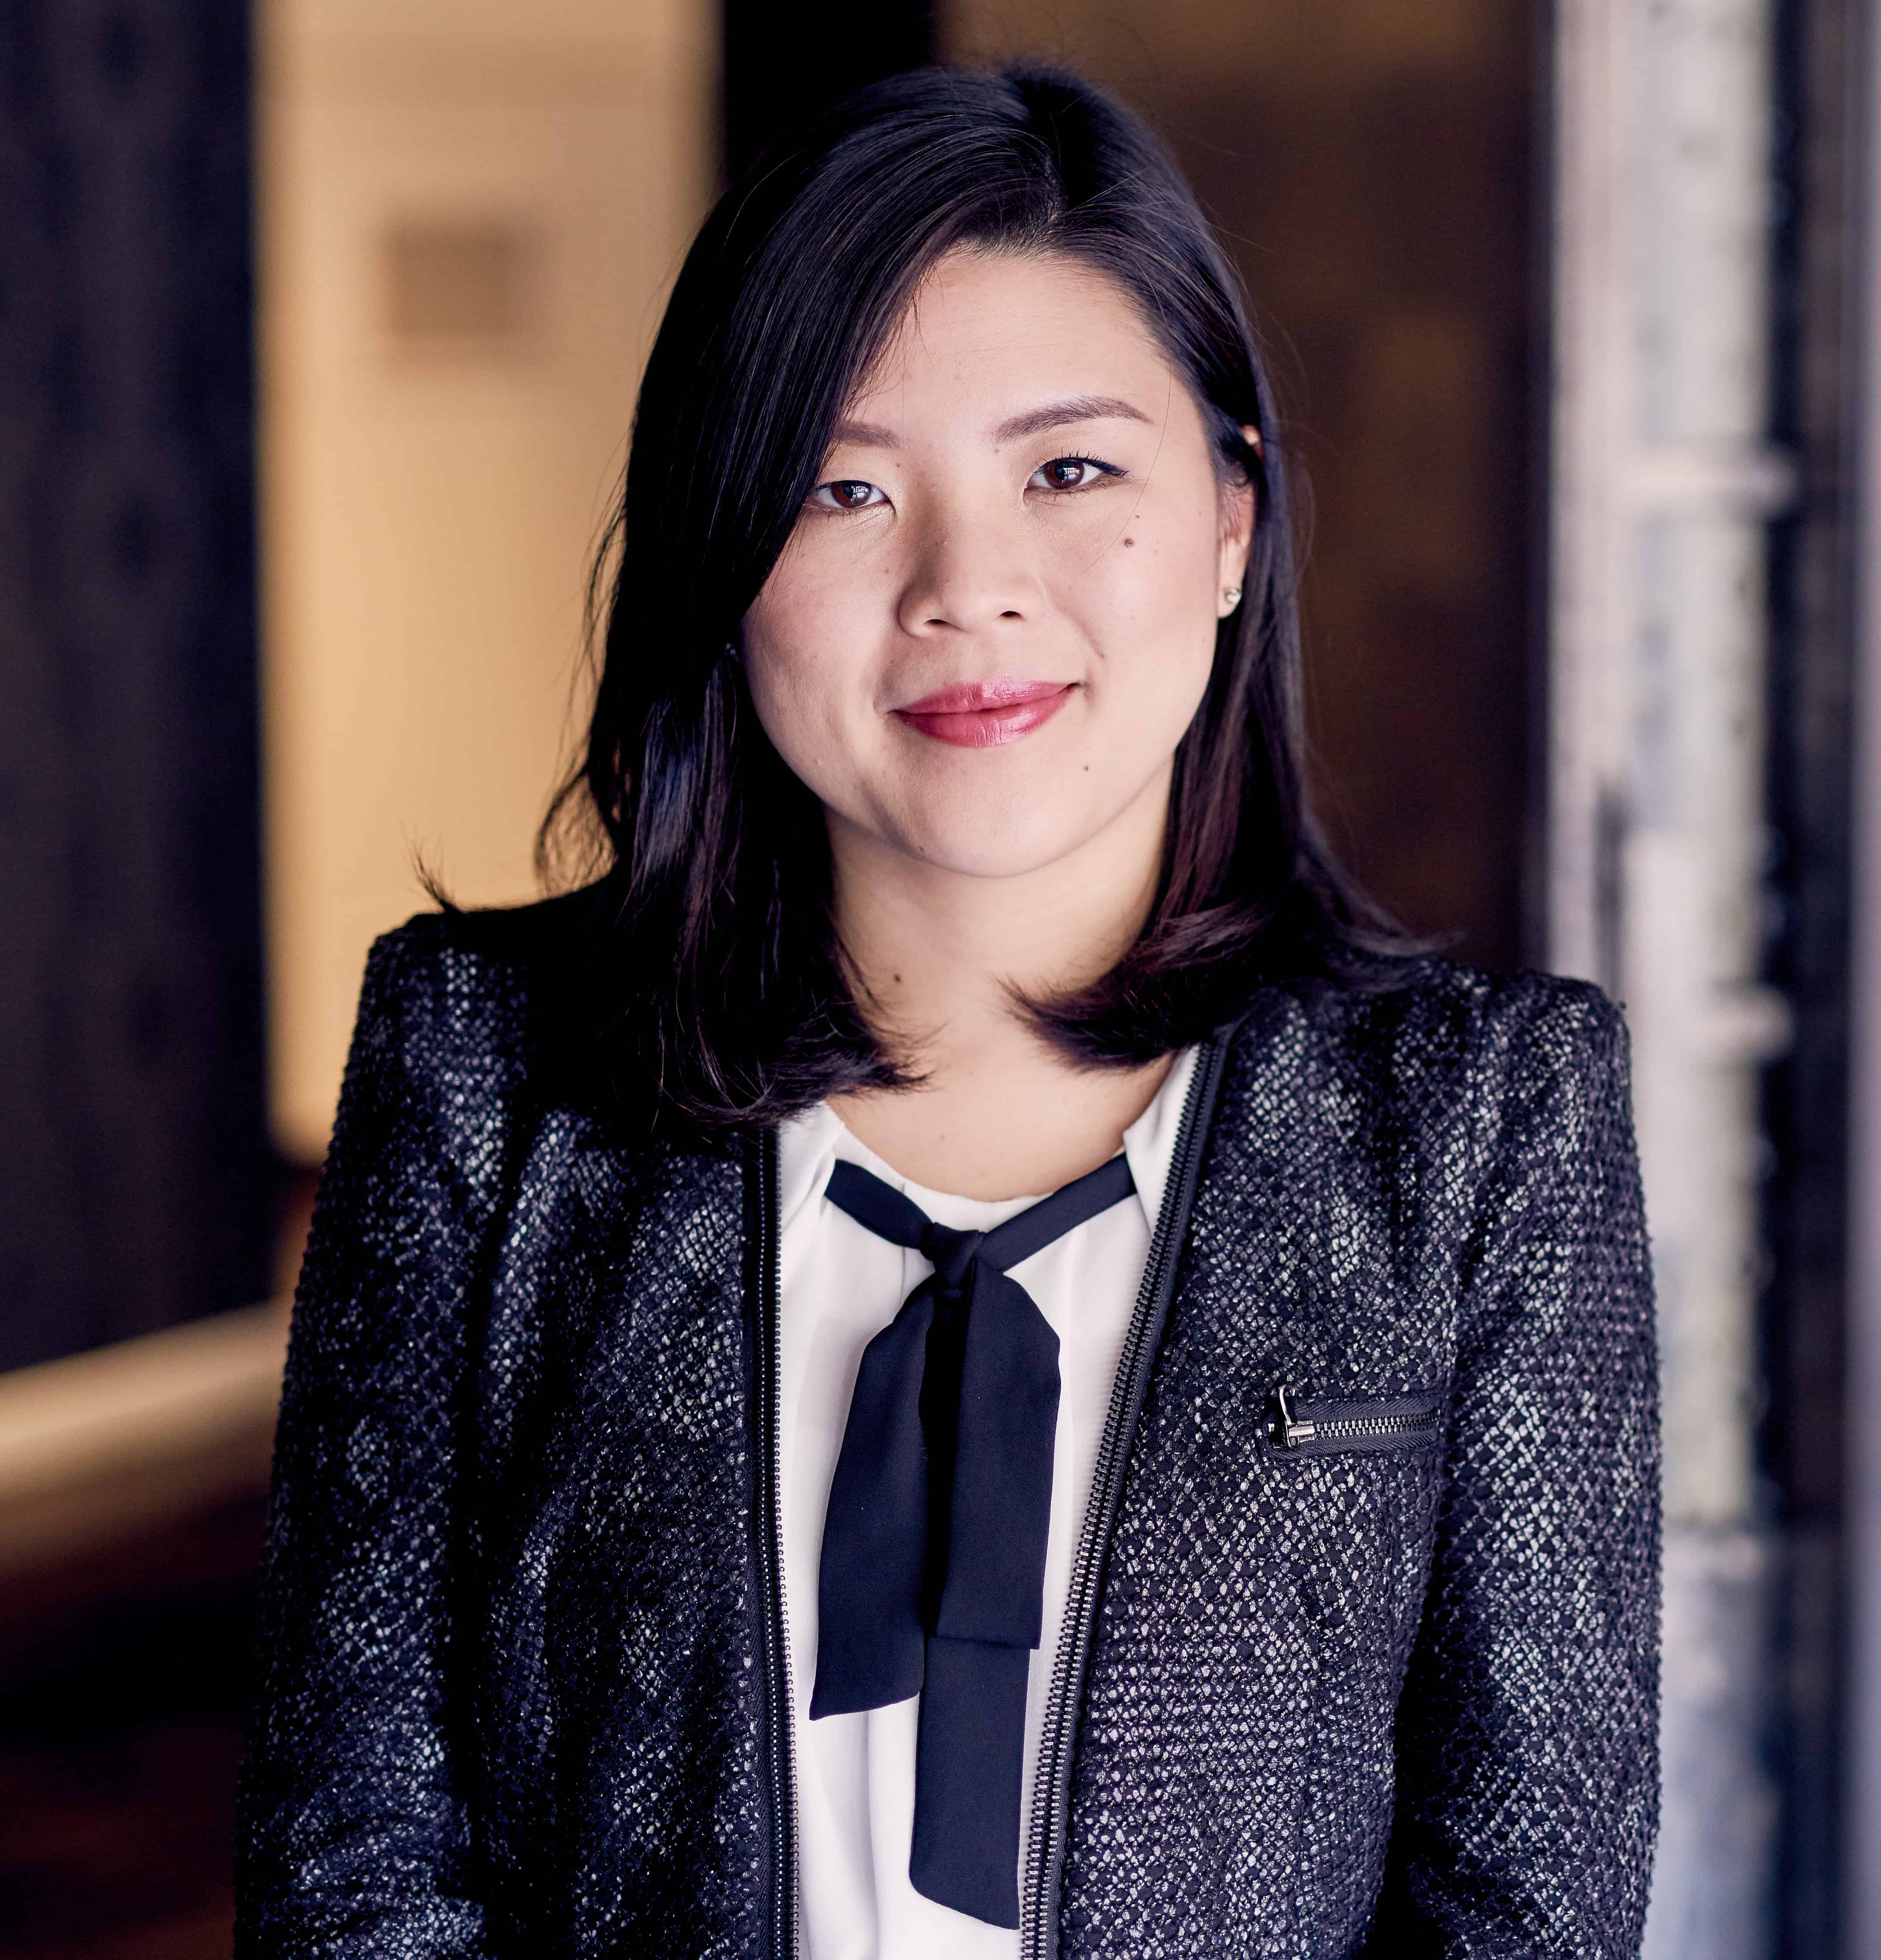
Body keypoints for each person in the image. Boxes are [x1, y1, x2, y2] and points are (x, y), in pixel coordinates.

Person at [235, 63, 1659, 1960]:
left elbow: (1526, 1904)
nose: (966, 589)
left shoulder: (1480, 1121)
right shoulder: (485, 1070)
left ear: (1230, 522)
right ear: (721, 560)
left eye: (1070, 471)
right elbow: (350, 1858)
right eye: (844, 487)